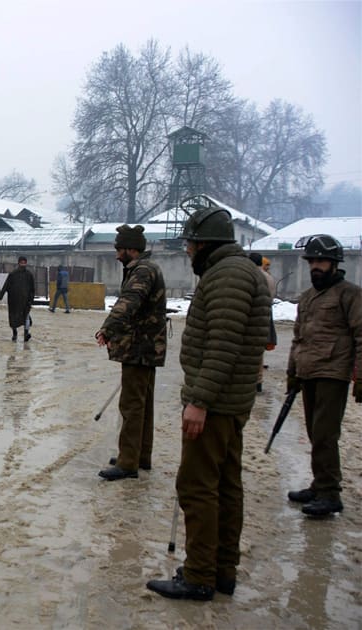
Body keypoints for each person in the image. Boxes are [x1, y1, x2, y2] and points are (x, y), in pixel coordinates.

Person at [145, 199, 271, 601]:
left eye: (191, 244)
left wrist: (199, 400)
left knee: (198, 486)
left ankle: (199, 574)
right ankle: (221, 571)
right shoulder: (234, 271)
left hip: (215, 404)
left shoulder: (228, 277)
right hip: (228, 402)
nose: (187, 250)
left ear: (207, 244)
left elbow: (222, 345)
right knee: (226, 485)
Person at [285, 234, 362, 517]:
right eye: (312, 261)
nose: (316, 266)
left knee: (325, 434)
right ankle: (320, 484)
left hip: (333, 373)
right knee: (314, 432)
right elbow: (298, 338)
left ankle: (330, 493)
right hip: (308, 373)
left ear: (334, 263)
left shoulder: (349, 294)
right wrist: (292, 372)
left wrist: (360, 375)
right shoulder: (307, 298)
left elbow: (361, 335)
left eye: (321, 261)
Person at [95, 225, 166, 481]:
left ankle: (128, 463)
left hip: (139, 347)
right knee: (142, 403)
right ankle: (139, 455)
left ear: (131, 249)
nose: (116, 255)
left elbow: (128, 302)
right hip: (146, 347)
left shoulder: (142, 271)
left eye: (118, 249)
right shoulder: (146, 268)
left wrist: (107, 329)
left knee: (132, 405)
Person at [248, 252, 278, 392]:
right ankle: (259, 380)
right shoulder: (269, 277)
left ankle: (254, 380)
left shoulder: (254, 277)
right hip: (267, 313)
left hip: (255, 315)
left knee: (252, 349)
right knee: (260, 350)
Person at [0, 255, 35, 342]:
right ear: (18, 263)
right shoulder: (13, 274)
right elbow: (6, 286)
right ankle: (14, 334)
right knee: (13, 318)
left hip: (25, 301)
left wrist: (31, 299)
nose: (23, 264)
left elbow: (32, 289)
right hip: (14, 300)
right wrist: (0, 296)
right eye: (21, 262)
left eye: (24, 262)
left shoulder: (29, 275)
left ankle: (26, 334)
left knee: (26, 316)